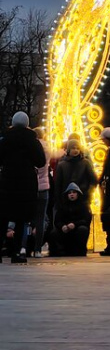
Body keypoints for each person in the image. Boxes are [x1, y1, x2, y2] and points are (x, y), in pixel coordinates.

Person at [0, 112, 46, 263]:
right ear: (27, 124)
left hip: (7, 182)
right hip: (26, 184)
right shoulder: (32, 140)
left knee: (3, 217)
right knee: (21, 219)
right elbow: (41, 161)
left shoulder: (5, 139)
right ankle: (17, 253)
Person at [49, 183, 92, 257]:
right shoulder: (63, 206)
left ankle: (80, 251)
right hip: (65, 230)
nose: (72, 194)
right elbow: (57, 220)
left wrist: (75, 224)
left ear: (78, 194)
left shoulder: (83, 206)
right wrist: (62, 226)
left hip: (77, 229)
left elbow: (86, 220)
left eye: (74, 192)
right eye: (69, 193)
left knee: (83, 229)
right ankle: (59, 251)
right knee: (54, 233)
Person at [29, 126, 51, 256]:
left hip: (31, 186)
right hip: (44, 187)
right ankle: (38, 249)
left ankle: (23, 247)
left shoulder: (31, 148)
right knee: (41, 218)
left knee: (26, 218)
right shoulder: (47, 149)